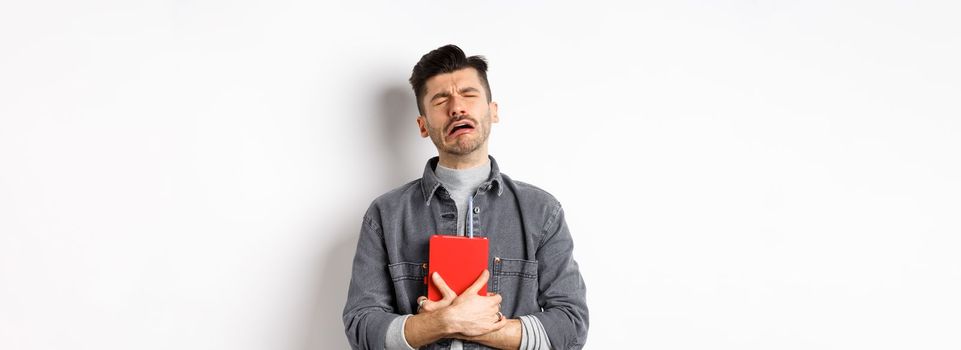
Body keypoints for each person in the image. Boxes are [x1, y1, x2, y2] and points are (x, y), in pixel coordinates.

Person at [342, 44, 588, 350]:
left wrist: (467, 325)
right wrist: (444, 322)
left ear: (493, 111)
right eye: (441, 99)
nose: (456, 107)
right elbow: (361, 327)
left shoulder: (542, 211)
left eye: (469, 95)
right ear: (422, 125)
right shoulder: (385, 215)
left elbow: (571, 326)